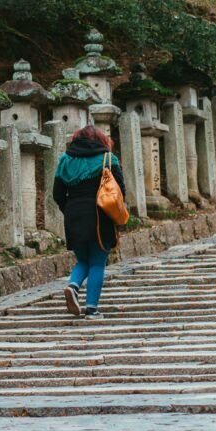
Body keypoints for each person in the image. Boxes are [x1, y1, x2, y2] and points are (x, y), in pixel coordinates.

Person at [53, 125, 126, 319]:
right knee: (97, 261)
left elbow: (57, 193)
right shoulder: (108, 159)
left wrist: (68, 209)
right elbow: (120, 191)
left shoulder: (65, 161)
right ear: (101, 140)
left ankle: (73, 286)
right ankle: (91, 309)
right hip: (99, 214)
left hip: (73, 215)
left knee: (83, 259)